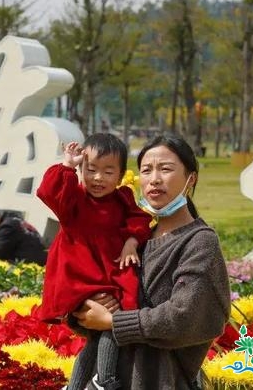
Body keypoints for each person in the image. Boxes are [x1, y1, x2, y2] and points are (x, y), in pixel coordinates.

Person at [72, 134, 231, 390]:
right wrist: (85, 307)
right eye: (146, 170)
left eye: (165, 169)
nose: (154, 179)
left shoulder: (199, 242)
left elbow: (186, 316)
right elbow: (88, 290)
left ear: (192, 179)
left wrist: (114, 322)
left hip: (161, 380)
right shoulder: (134, 240)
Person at [36, 133, 153, 390]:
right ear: (81, 169)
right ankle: (105, 381)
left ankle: (76, 386)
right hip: (80, 282)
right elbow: (49, 193)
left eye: (108, 172)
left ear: (121, 176)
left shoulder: (122, 199)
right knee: (113, 323)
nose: (98, 178)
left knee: (100, 334)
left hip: (108, 280)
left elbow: (139, 220)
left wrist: (131, 241)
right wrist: (66, 165)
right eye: (91, 169)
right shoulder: (74, 200)